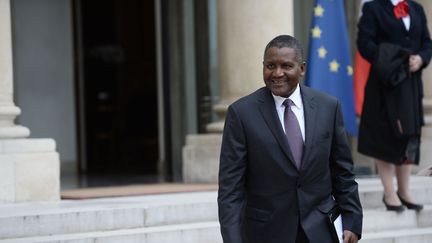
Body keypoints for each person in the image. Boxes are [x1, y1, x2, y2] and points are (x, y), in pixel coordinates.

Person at [218, 35, 363, 243]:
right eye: (270, 66)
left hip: (321, 230)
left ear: (302, 68)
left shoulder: (328, 107)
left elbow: (343, 172)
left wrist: (352, 221)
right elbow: (230, 189)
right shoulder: (241, 114)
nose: (277, 73)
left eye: (286, 66)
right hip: (266, 232)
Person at [357, 0, 432, 212]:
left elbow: (427, 42)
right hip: (385, 83)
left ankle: (404, 191)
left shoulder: (416, 8)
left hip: (411, 83)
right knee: (384, 136)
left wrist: (421, 59)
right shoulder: (373, 8)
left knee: (408, 135)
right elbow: (365, 44)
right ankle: (389, 193)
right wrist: (393, 59)